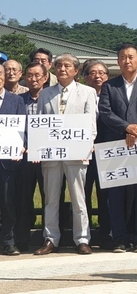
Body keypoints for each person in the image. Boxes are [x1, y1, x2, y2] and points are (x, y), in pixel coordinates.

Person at [98, 45, 137, 253]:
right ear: (118, 62)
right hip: (116, 145)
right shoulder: (109, 86)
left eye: (131, 57)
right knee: (116, 195)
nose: (127, 61)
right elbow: (105, 112)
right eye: (123, 57)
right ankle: (120, 238)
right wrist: (126, 127)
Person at [34, 53, 96, 256]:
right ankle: (51, 239)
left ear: (76, 71)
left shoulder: (87, 92)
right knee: (51, 199)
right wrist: (38, 147)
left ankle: (82, 239)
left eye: (67, 65)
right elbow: (40, 125)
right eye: (59, 65)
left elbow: (91, 125)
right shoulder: (45, 94)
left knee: (79, 199)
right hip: (51, 154)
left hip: (77, 153)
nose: (62, 69)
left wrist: (87, 146)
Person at [15, 62, 48, 251]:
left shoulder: (52, 97)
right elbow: (17, 127)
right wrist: (26, 145)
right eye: (29, 75)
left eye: (37, 75)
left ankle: (49, 238)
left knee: (50, 199)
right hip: (25, 156)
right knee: (23, 198)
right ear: (24, 77)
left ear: (45, 77)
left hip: (47, 156)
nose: (33, 79)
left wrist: (41, 147)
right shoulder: (18, 100)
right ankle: (21, 240)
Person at [81, 59, 112, 249]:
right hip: (82, 151)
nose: (97, 76)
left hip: (106, 150)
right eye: (93, 73)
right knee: (83, 194)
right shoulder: (81, 96)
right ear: (85, 77)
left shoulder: (112, 95)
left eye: (101, 73)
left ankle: (106, 233)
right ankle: (84, 235)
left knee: (106, 194)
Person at [0, 63, 27, 256]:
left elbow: (23, 128)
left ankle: (8, 240)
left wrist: (22, 145)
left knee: (7, 201)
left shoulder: (16, 101)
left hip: (8, 160)